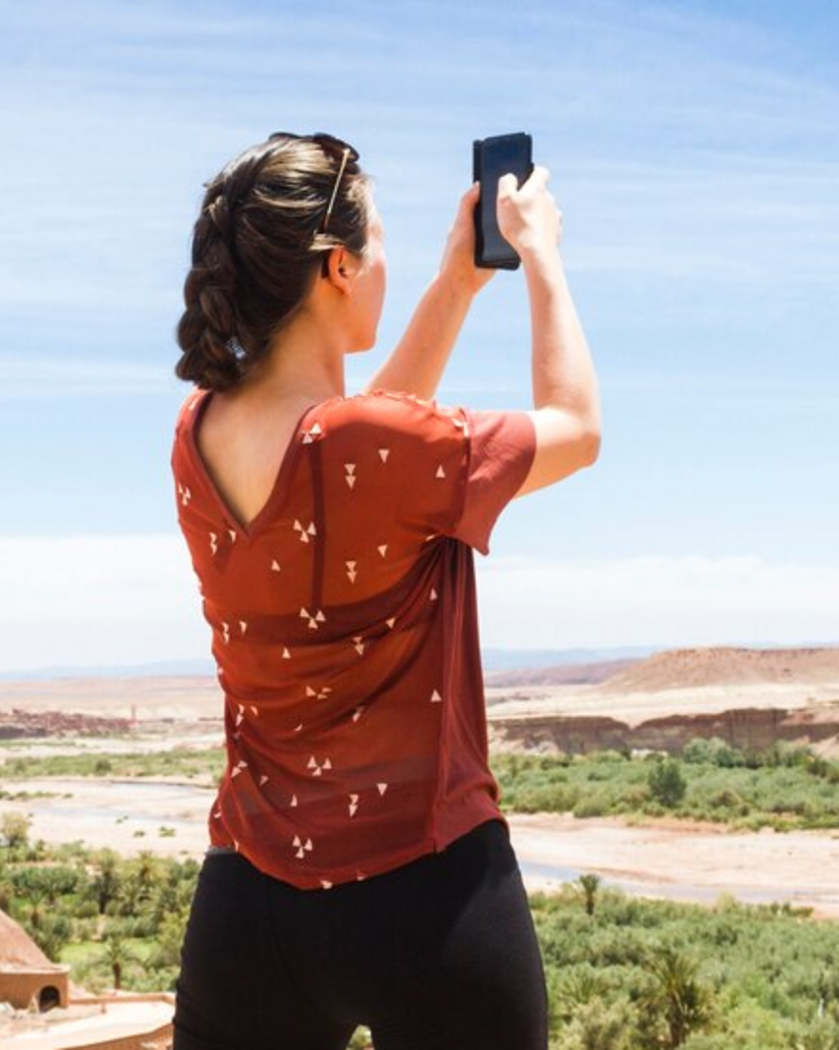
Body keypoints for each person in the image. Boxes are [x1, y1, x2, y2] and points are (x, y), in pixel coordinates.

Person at [166, 131, 600, 1050]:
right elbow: (578, 425)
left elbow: (351, 466)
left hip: (251, 909)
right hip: (431, 900)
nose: (390, 264)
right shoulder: (368, 447)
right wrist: (541, 256)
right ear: (337, 269)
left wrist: (453, 287)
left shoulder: (196, 434)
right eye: (382, 242)